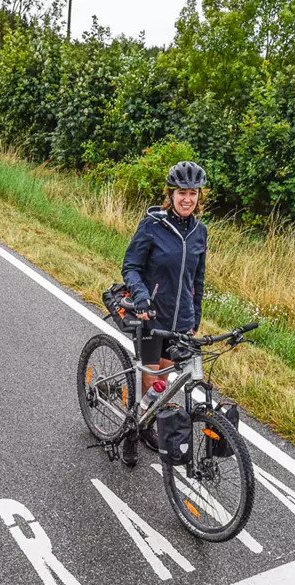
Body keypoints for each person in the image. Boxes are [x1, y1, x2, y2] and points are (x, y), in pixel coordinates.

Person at [119, 160, 209, 466]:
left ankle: (148, 422)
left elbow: (198, 279)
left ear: (200, 196)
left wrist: (194, 318)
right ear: (170, 195)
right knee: (150, 380)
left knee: (166, 382)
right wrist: (141, 296)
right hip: (151, 316)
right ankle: (133, 431)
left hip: (180, 320)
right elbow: (131, 267)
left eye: (193, 193)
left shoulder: (200, 232)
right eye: (182, 192)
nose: (187, 199)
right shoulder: (153, 226)